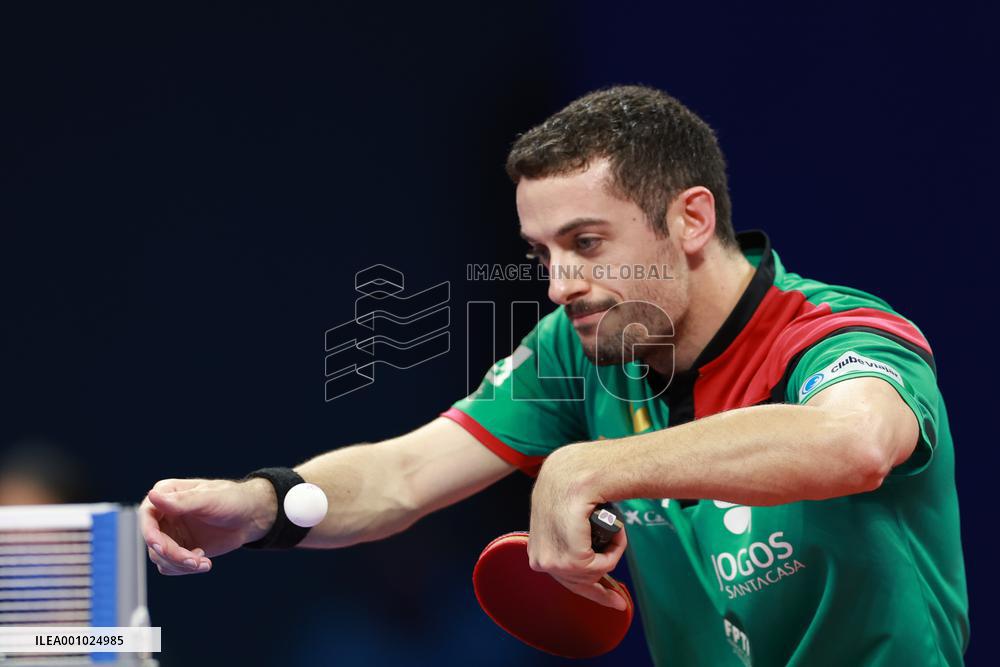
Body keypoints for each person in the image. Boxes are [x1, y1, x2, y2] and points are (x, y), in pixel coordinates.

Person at [140, 85, 968, 665]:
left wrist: (591, 465)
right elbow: (404, 473)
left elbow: (856, 441)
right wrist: (261, 506)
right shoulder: (580, 348)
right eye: (542, 253)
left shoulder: (832, 333)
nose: (559, 283)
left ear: (690, 218)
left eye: (587, 243)